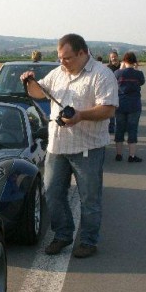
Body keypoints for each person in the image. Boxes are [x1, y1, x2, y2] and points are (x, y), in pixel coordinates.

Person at [20, 33, 118, 258]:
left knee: (89, 198)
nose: (62, 62)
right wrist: (29, 82)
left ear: (83, 53)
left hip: (88, 147)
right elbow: (39, 93)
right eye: (60, 58)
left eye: (67, 58)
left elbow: (109, 109)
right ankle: (63, 235)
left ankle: (88, 241)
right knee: (52, 193)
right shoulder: (58, 73)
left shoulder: (101, 75)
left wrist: (80, 116)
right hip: (57, 146)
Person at [114, 51, 145, 163]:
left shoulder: (117, 73)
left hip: (120, 104)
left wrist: (122, 68)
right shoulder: (139, 74)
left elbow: (114, 82)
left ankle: (118, 154)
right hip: (134, 105)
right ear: (135, 61)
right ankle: (131, 156)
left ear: (124, 60)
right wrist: (135, 69)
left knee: (119, 129)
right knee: (132, 129)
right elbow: (141, 83)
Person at [107, 49, 121, 133]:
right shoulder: (108, 68)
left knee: (120, 111)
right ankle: (111, 128)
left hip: (121, 92)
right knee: (111, 110)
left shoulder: (122, 67)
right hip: (111, 91)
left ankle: (120, 127)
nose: (113, 58)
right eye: (112, 57)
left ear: (117, 57)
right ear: (110, 58)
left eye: (115, 57)